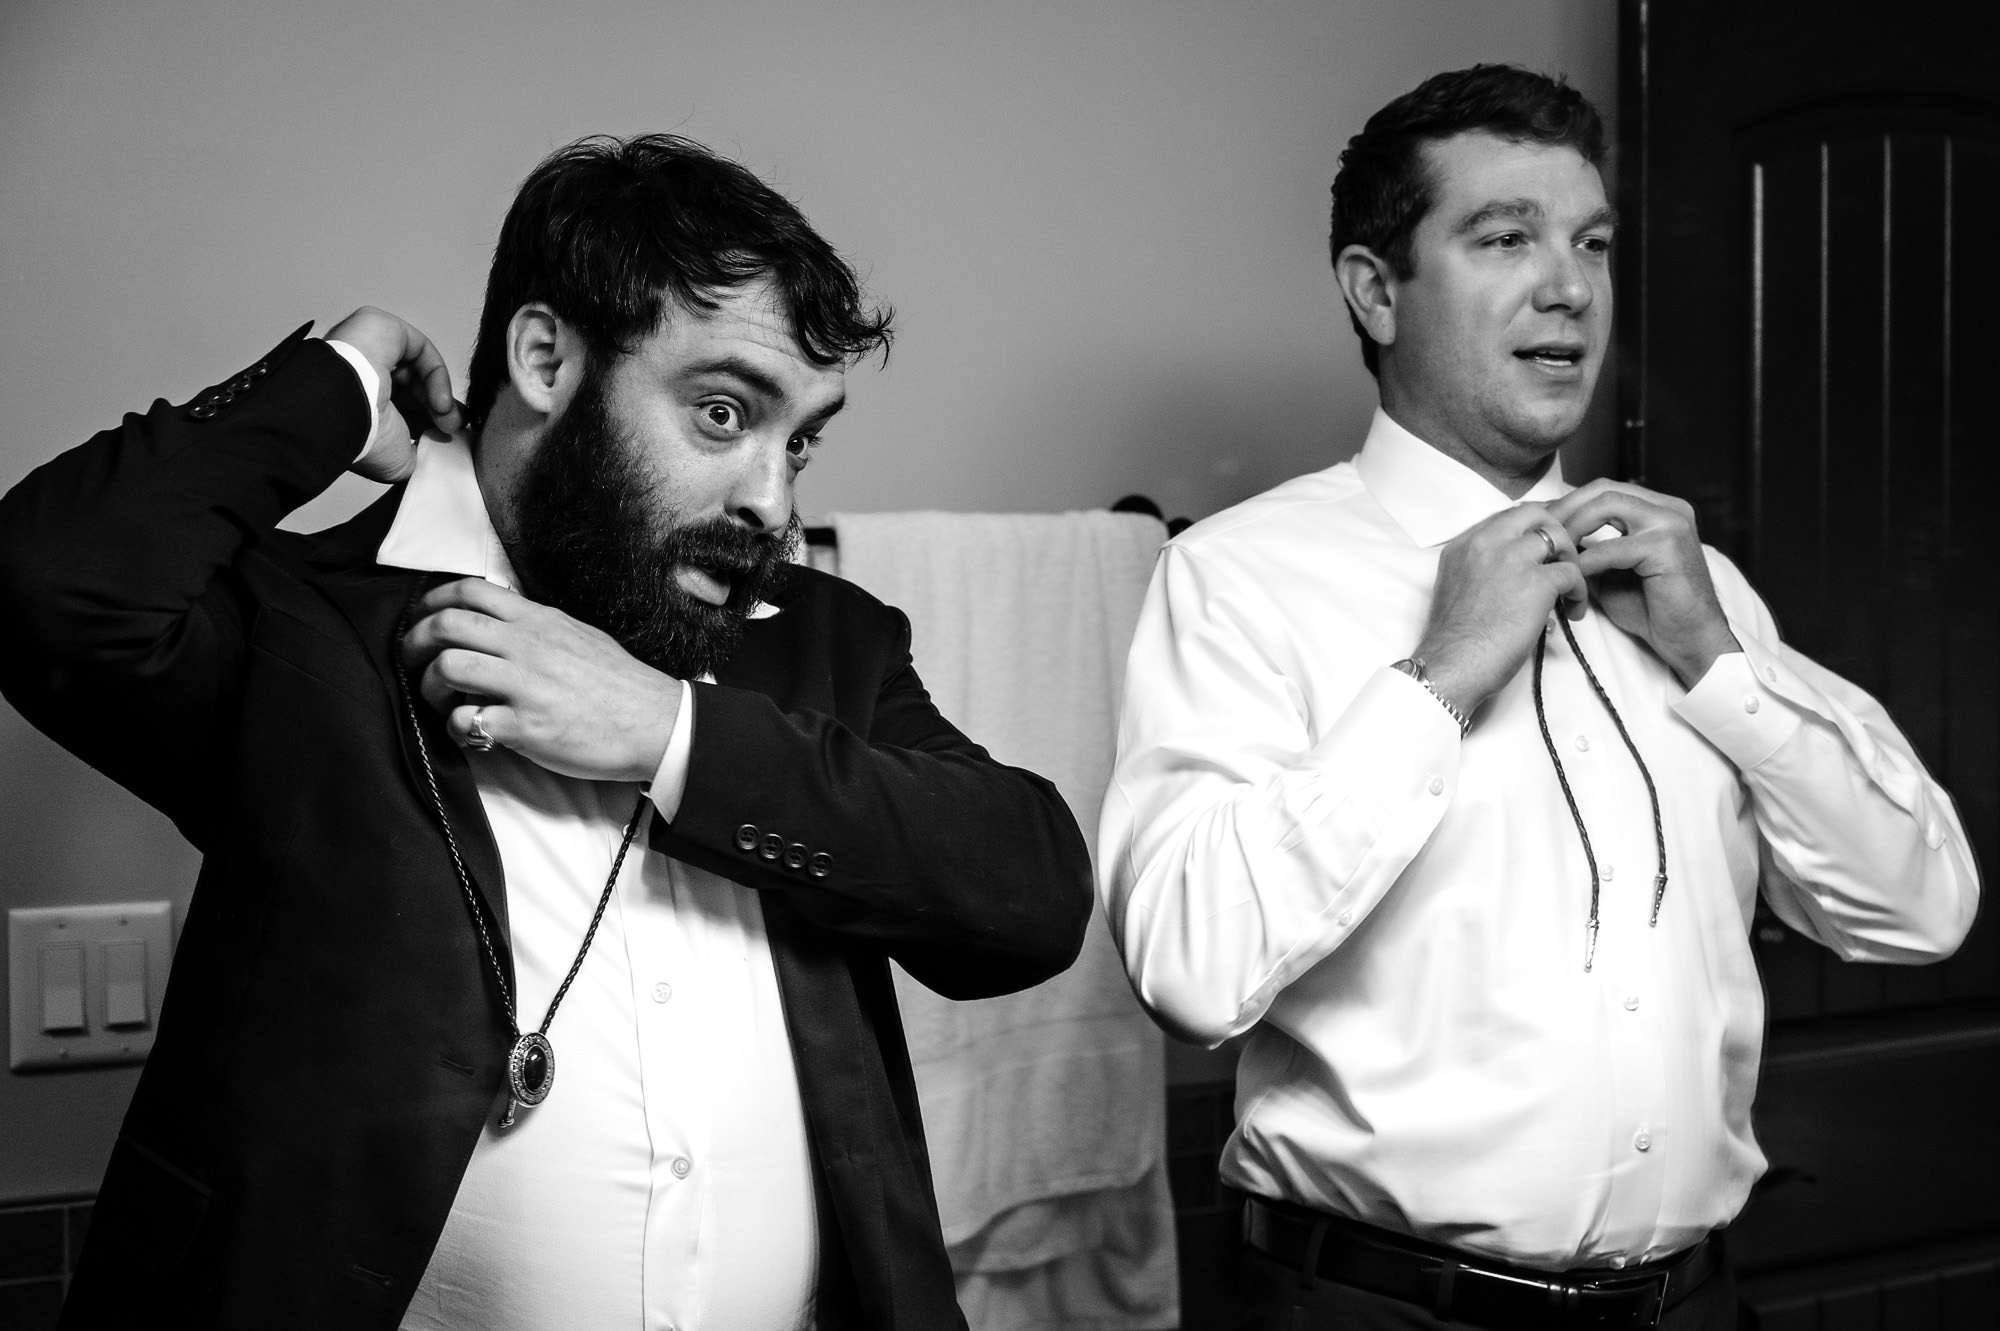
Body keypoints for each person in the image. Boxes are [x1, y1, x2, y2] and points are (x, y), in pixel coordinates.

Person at [0, 133, 1094, 1331]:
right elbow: (50, 581)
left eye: (799, 440)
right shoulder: (300, 625)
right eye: (722, 412)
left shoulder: (819, 642)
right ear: (545, 357)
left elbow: (1027, 895)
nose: (772, 501)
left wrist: (667, 732)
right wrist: (337, 379)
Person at [1097, 65, 1978, 1331]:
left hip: (1692, 1304)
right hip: (1378, 1312)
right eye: (1503, 237)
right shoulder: (1235, 575)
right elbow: (1188, 968)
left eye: (1591, 243)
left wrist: (1720, 663)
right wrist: (1439, 674)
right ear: (1374, 289)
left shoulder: (1691, 583)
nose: (1567, 285)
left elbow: (1918, 908)